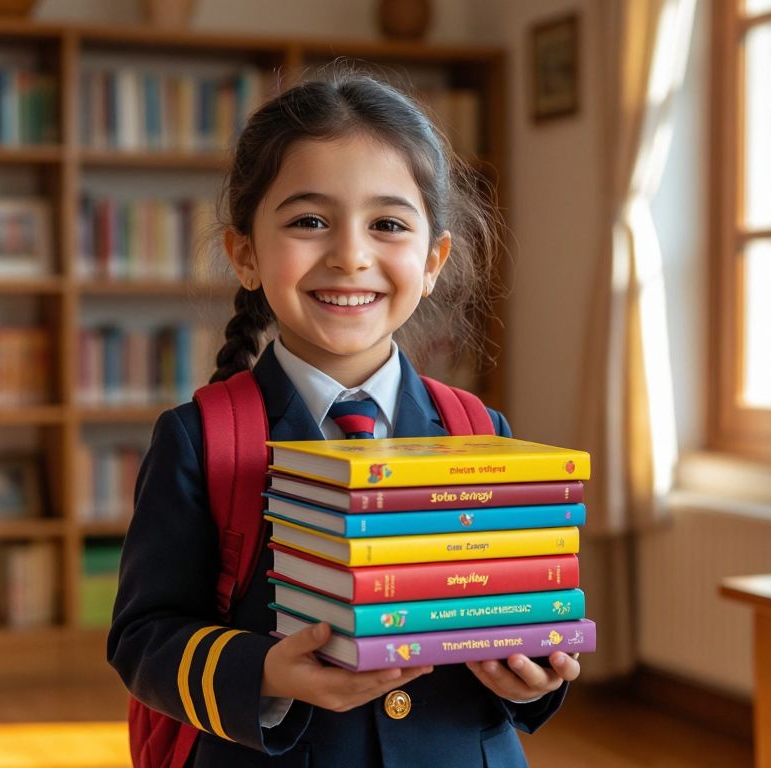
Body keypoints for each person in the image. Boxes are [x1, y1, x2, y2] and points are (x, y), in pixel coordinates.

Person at [108, 72, 580, 768]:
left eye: (388, 224)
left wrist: (538, 673)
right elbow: (144, 638)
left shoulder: (482, 432)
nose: (350, 255)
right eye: (309, 221)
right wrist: (265, 675)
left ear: (433, 261)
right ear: (245, 253)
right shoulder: (200, 439)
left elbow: (533, 626)